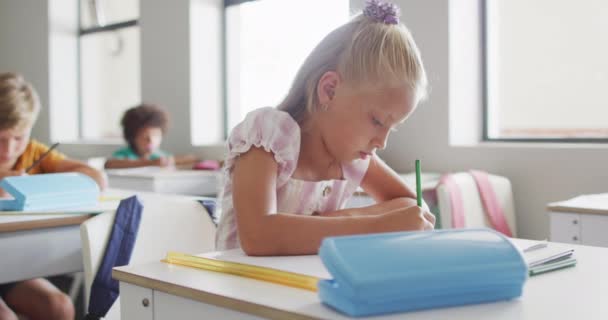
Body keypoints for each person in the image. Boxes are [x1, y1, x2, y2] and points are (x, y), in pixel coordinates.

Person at [216, 0, 435, 256]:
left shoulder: (351, 159)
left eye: (392, 127)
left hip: (305, 286)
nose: (382, 142)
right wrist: (375, 225)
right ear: (330, 90)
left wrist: (340, 218)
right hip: (236, 288)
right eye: (377, 121)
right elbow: (258, 237)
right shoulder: (268, 135)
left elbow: (411, 207)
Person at [0, 72, 107, 319]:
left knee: (59, 306)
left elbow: (96, 178)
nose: (9, 150)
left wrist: (33, 185)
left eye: (18, 137)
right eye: (1, 137)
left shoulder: (34, 152)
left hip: (11, 263)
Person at [104, 104, 196, 169]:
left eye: (156, 135)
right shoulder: (124, 154)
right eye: (144, 136)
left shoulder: (159, 155)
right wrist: (150, 163)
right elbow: (109, 164)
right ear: (132, 137)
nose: (151, 141)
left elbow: (191, 159)